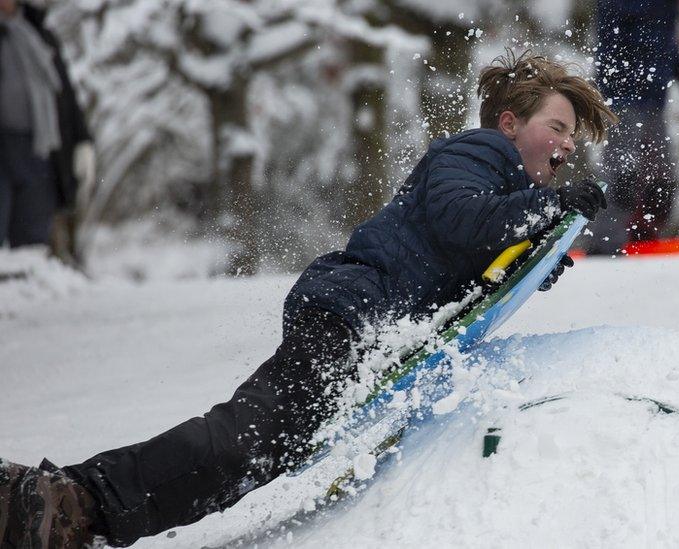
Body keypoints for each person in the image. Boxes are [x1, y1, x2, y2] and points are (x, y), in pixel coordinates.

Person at [0, 50, 617, 548]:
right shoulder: (479, 152)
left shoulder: (507, 189)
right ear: (510, 123)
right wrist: (546, 210)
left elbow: (473, 255)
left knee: (259, 449)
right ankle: (68, 500)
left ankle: (79, 510)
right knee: (249, 439)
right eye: (555, 127)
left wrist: (535, 253)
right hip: (353, 311)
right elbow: (461, 218)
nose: (566, 146)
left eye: (571, 135)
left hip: (361, 319)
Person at [587, 0, 679, 254]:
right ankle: (605, 244)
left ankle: (642, 237)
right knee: (623, 176)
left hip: (654, 104)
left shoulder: (663, 11)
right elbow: (630, 33)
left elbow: (665, 49)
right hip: (621, 100)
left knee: (661, 180)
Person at [0, 0, 94, 253]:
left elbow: (64, 94)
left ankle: (29, 287)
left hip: (39, 148)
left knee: (32, 238)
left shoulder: (39, 34)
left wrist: (82, 140)